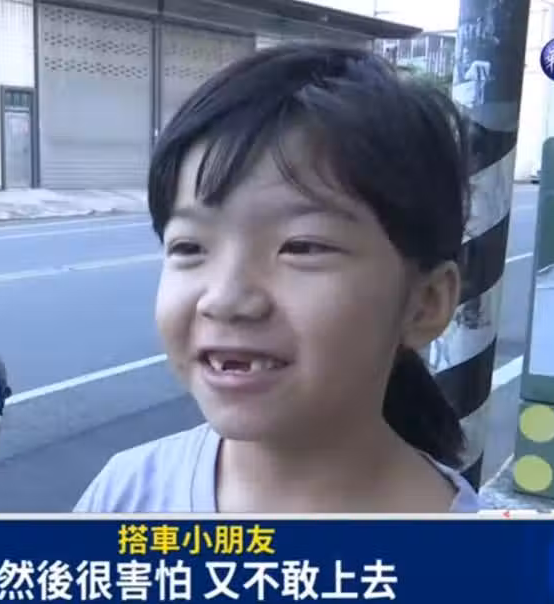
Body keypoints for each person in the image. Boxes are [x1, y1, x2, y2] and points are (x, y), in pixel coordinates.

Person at [73, 43, 480, 513]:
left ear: (425, 303)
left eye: (303, 246)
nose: (225, 299)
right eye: (189, 247)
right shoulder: (125, 493)